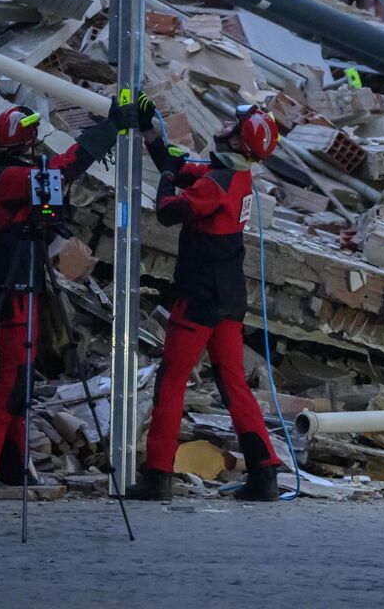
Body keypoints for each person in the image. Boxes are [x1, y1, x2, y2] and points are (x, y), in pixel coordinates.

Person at [0, 99, 139, 490]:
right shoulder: (9, 179)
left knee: (21, 377)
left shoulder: (0, 176)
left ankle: (11, 465)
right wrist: (107, 131)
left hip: (21, 280)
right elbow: (63, 168)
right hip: (15, 284)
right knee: (15, 378)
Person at [124, 105, 287, 503]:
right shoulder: (234, 176)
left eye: (233, 125)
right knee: (234, 386)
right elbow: (177, 167)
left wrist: (164, 179)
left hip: (199, 298)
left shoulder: (215, 184)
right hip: (228, 298)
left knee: (172, 380)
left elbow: (167, 212)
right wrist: (149, 129)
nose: (224, 125)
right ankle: (265, 474)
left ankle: (158, 474)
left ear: (237, 141)